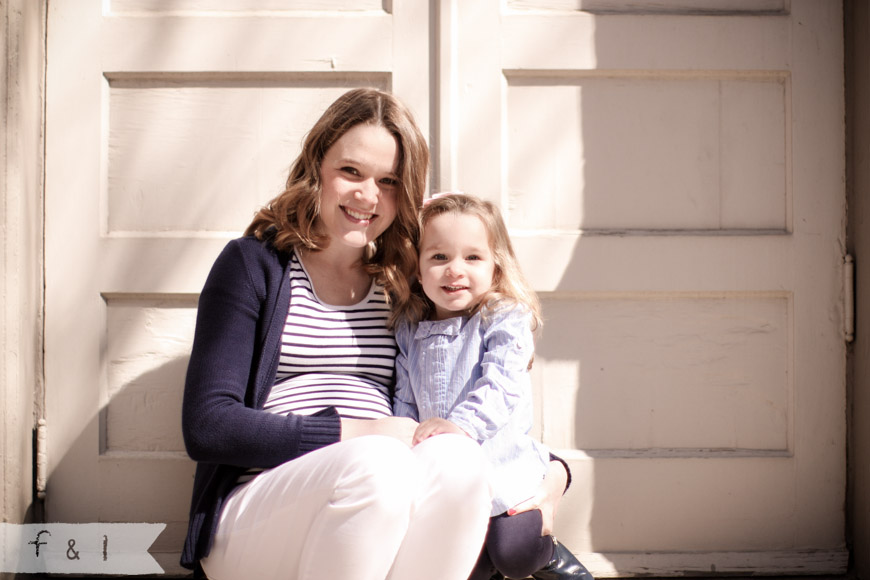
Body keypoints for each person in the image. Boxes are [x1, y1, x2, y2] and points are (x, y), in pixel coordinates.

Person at [179, 88, 570, 580]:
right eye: (351, 172)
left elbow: (463, 397)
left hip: (388, 496)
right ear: (317, 165)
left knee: (456, 460)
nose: (368, 196)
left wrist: (554, 472)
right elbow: (208, 426)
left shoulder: (405, 283)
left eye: (388, 182)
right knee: (378, 468)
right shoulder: (255, 265)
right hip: (260, 509)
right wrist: (359, 433)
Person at [392, 193, 593, 580]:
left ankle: (547, 553)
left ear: (495, 269)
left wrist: (461, 427)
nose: (455, 270)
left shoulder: (502, 317)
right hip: (447, 477)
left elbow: (500, 385)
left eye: (472, 257)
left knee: (514, 555)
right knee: (466, 566)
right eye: (439, 257)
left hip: (504, 468)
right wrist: (406, 443)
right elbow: (404, 397)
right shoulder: (409, 328)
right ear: (417, 270)